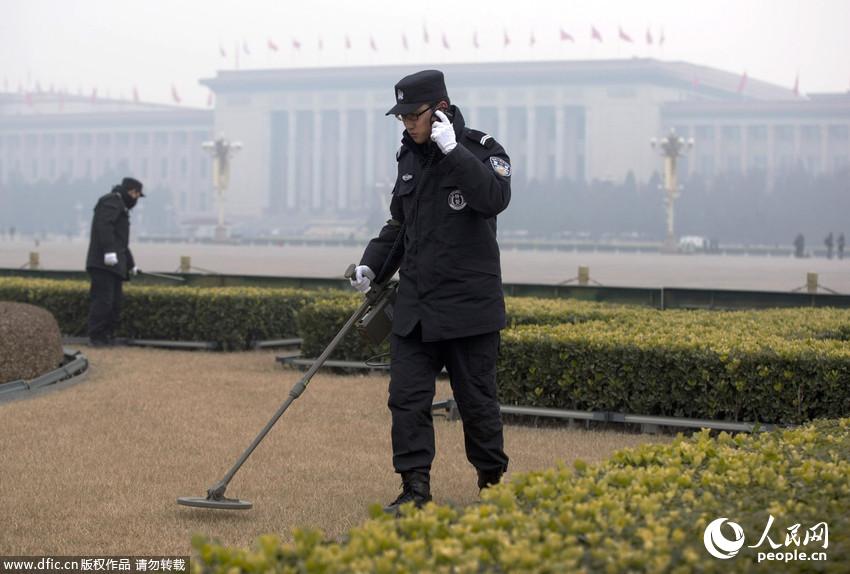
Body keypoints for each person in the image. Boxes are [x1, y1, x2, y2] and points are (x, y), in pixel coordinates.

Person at [349, 69, 512, 514]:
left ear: (439, 109)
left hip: (469, 308)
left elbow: (494, 198)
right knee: (405, 400)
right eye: (401, 118)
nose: (407, 125)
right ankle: (415, 489)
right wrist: (371, 264)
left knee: (477, 403)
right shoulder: (409, 157)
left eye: (413, 116)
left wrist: (452, 151)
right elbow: (400, 224)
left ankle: (493, 484)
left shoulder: (482, 150)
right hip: (417, 306)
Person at [85, 177, 144, 347]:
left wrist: (131, 264)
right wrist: (109, 251)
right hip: (102, 263)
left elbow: (121, 242)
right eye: (135, 194)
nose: (136, 198)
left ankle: (107, 336)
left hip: (115, 264)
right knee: (103, 301)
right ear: (129, 191)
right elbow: (104, 227)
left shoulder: (122, 206)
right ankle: (96, 337)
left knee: (115, 303)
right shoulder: (111, 201)